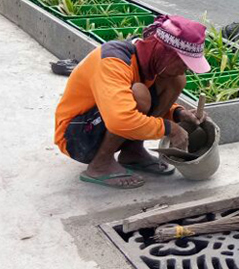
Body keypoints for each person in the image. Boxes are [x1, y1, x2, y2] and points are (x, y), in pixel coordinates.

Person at [54, 16, 211, 189]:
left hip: (102, 123)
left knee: (176, 80)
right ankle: (100, 165)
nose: (185, 68)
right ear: (163, 50)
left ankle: (132, 153)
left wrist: (178, 113)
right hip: (76, 136)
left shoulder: (150, 63)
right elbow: (120, 119)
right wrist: (170, 128)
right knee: (139, 94)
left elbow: (152, 103)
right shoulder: (113, 60)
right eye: (183, 62)